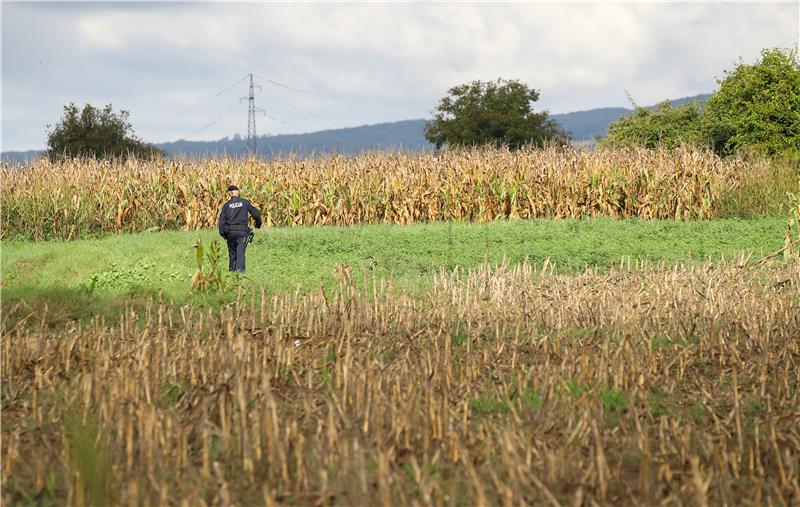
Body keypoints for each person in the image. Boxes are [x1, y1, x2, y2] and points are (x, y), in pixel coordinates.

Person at [218, 184, 262, 272]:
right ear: (237, 192)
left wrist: (224, 234)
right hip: (242, 232)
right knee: (240, 253)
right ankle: (240, 275)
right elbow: (256, 214)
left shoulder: (226, 206)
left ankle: (232, 273)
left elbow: (221, 222)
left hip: (230, 233)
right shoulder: (244, 202)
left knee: (232, 254)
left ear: (230, 193)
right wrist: (258, 224)